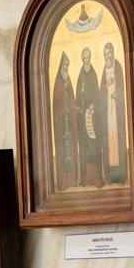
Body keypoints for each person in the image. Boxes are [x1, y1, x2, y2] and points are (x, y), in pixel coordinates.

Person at [98, 42, 127, 184]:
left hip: (117, 110)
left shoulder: (118, 67)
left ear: (113, 53)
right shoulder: (104, 70)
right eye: (105, 54)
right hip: (108, 112)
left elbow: (123, 87)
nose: (107, 57)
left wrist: (118, 94)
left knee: (118, 140)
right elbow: (101, 92)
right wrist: (105, 87)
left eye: (108, 53)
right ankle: (110, 174)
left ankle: (121, 175)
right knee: (109, 142)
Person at [51, 52, 78, 190]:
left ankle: (72, 180)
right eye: (64, 65)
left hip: (70, 123)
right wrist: (63, 89)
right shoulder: (58, 83)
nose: (66, 68)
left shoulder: (69, 81)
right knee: (63, 151)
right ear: (61, 66)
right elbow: (57, 101)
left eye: (67, 65)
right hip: (62, 125)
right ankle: (63, 182)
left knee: (71, 150)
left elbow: (72, 99)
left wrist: (74, 108)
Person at [75, 48, 101, 187]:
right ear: (82, 59)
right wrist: (78, 106)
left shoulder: (93, 73)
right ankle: (83, 179)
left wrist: (93, 105)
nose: (86, 60)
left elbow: (97, 92)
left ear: (90, 58)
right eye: (84, 58)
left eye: (87, 57)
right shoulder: (80, 75)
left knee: (94, 145)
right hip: (82, 118)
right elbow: (78, 95)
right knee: (83, 147)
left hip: (92, 116)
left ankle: (98, 179)